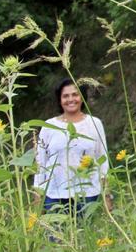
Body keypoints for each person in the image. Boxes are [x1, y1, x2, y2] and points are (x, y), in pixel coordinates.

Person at [32, 78, 112, 218]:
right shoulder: (48, 126)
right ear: (60, 99)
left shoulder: (94, 124)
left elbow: (102, 160)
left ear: (82, 97)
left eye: (75, 95)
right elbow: (41, 164)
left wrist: (106, 193)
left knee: (85, 237)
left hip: (87, 194)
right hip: (54, 195)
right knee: (56, 238)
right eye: (65, 96)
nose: (71, 99)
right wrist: (38, 194)